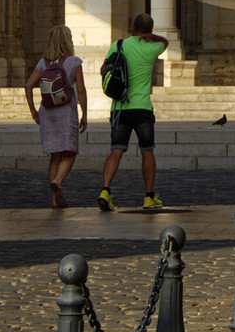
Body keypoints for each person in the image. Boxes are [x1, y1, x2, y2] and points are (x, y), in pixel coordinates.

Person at [97, 11, 170, 212]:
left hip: (119, 107)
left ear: (133, 27)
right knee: (147, 151)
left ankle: (105, 190)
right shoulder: (152, 48)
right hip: (142, 108)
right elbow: (166, 43)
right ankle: (148, 196)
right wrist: (151, 37)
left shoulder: (118, 45)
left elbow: (104, 68)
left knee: (116, 151)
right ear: (148, 31)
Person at [23, 24, 86, 208]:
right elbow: (80, 90)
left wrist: (33, 110)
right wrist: (85, 114)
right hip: (66, 113)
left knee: (55, 155)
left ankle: (54, 198)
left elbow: (28, 86)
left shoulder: (43, 63)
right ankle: (58, 181)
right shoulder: (74, 62)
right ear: (67, 40)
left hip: (47, 113)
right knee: (71, 152)